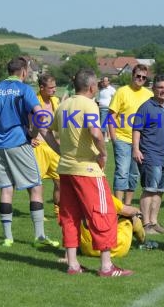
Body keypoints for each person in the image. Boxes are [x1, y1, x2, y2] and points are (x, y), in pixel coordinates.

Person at [49, 69, 133, 277]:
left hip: (66, 170)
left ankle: (73, 264)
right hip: (87, 170)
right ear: (92, 87)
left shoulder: (63, 105)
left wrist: (59, 151)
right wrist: (103, 153)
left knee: (69, 216)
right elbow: (95, 133)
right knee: (103, 213)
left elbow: (44, 130)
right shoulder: (89, 105)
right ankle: (106, 266)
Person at [0, 57, 59, 248]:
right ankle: (39, 236)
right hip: (19, 143)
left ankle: (7, 237)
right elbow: (39, 115)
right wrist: (34, 134)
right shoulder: (24, 89)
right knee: (36, 187)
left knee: (6, 189)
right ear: (24, 71)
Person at [132, 74, 164, 235]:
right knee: (149, 189)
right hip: (150, 154)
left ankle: (154, 222)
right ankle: (146, 224)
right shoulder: (146, 107)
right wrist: (136, 149)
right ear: (153, 88)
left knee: (160, 190)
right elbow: (137, 129)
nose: (163, 91)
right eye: (160, 87)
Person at [108, 64, 153, 205]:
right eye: (138, 76)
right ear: (132, 75)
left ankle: (127, 205)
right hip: (122, 139)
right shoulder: (122, 91)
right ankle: (119, 206)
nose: (140, 79)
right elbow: (111, 116)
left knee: (134, 174)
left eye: (143, 77)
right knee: (122, 172)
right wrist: (114, 138)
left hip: (140, 142)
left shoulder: (149, 95)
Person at [32, 73, 61, 216]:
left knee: (60, 181)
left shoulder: (56, 101)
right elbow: (24, 122)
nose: (54, 90)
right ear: (42, 88)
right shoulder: (33, 101)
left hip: (54, 147)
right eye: (51, 87)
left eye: (55, 87)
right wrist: (28, 137)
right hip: (39, 147)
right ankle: (39, 213)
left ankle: (58, 210)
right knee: (38, 183)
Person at [80, 196, 145, 257]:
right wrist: (138, 211)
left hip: (86, 249)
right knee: (131, 217)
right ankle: (143, 241)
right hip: (115, 250)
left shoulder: (78, 197)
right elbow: (128, 211)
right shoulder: (105, 196)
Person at [96, 76, 116, 142]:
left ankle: (105, 137)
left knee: (105, 124)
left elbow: (116, 98)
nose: (103, 82)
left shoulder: (112, 89)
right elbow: (98, 99)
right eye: (103, 81)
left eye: (105, 81)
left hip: (107, 109)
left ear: (108, 82)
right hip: (100, 108)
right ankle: (106, 136)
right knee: (103, 123)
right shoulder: (101, 90)